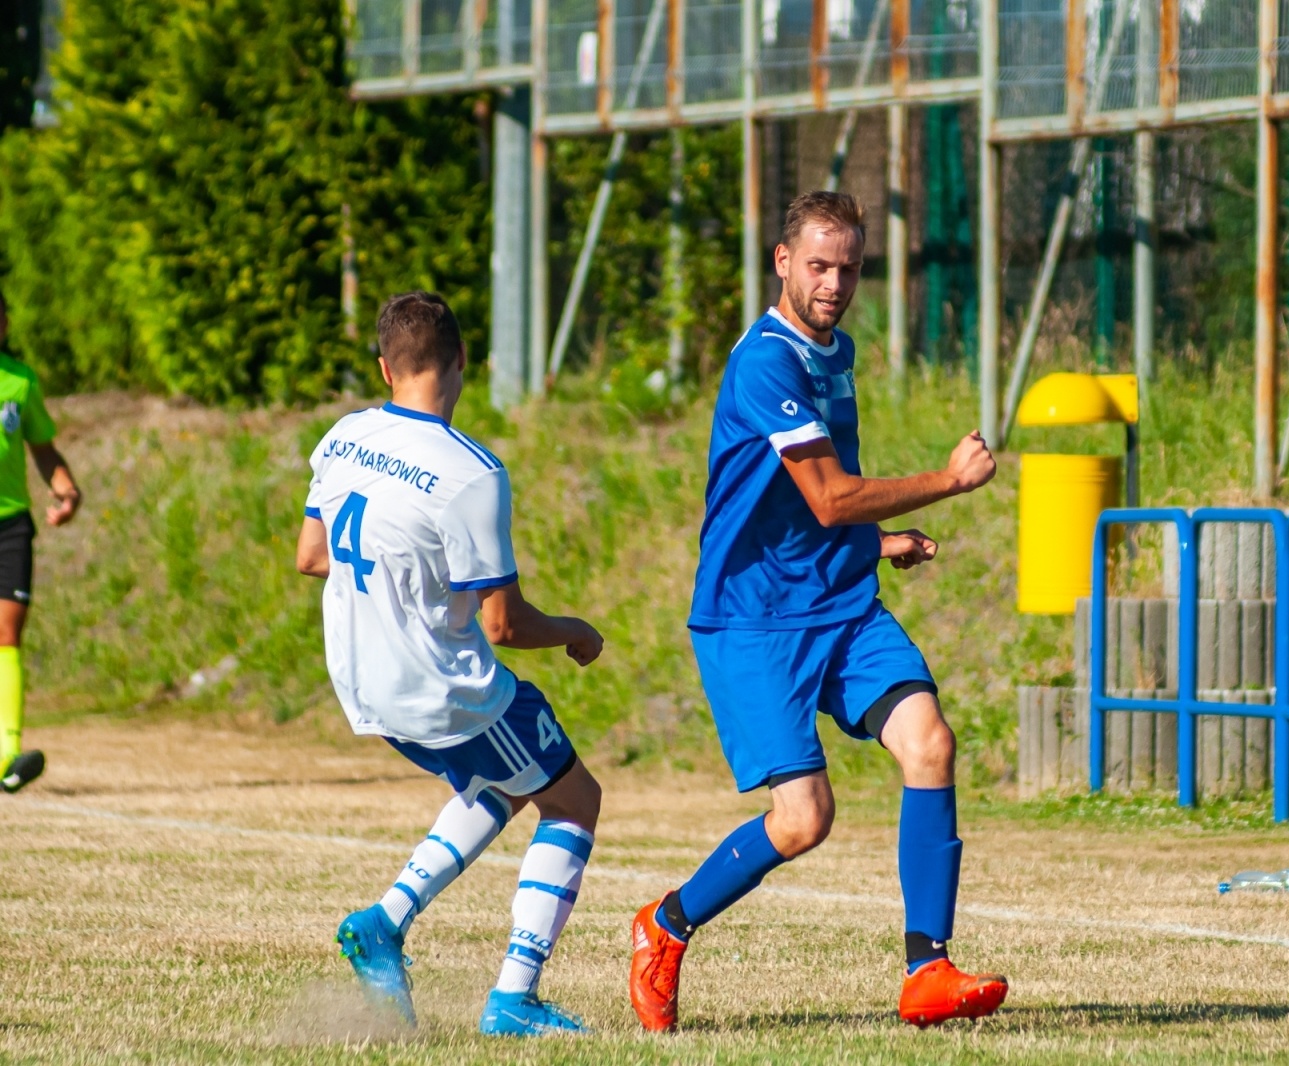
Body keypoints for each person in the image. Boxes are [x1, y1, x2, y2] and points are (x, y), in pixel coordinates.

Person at [628, 191, 1005, 1032]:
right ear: (783, 263)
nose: (835, 283)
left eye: (850, 267)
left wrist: (875, 548)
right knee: (803, 821)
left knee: (929, 742)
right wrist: (947, 483)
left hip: (839, 602)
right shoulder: (765, 362)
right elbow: (831, 499)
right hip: (753, 620)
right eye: (820, 265)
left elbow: (813, 510)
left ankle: (927, 971)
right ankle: (666, 924)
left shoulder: (835, 353)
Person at [296, 292, 604, 1037]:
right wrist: (576, 632)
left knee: (505, 781)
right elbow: (504, 624)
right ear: (464, 361)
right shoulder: (470, 472)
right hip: (443, 689)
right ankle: (513, 1000)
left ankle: (385, 922)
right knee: (574, 801)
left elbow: (309, 557)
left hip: (361, 681)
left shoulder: (344, 435)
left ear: (384, 367)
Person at [0, 291, 81, 795]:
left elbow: (43, 449)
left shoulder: (20, 380)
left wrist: (66, 489)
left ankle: (8, 753)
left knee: (6, 634)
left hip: (10, 525)